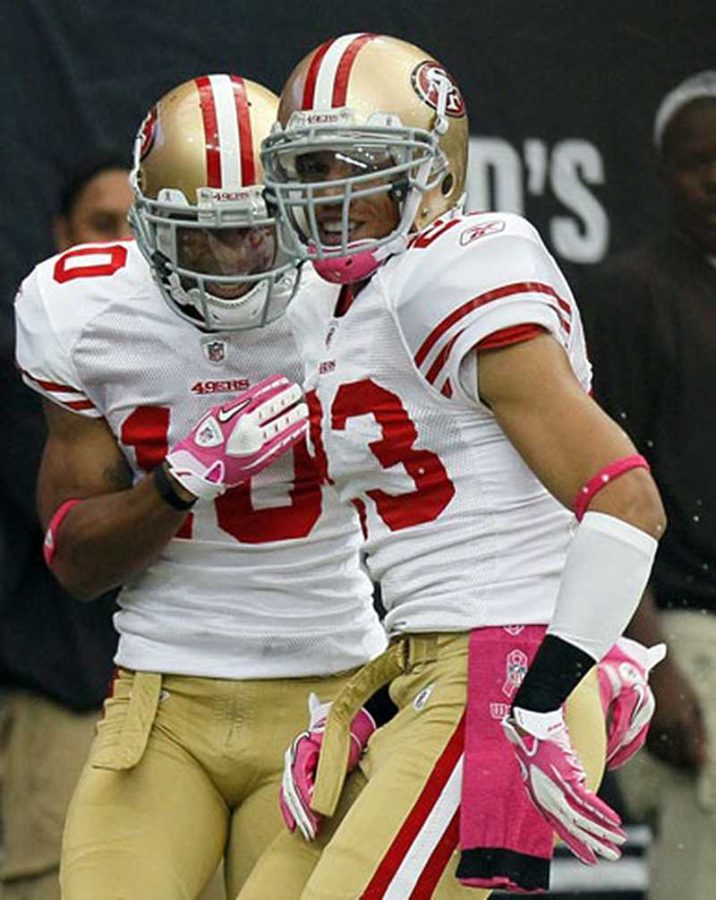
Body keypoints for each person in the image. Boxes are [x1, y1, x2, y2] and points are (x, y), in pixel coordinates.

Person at [236, 33, 666, 899]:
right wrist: (381, 699)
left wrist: (553, 683)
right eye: (309, 167)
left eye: (355, 164)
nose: (329, 194)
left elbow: (627, 499)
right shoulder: (330, 304)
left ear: (431, 168)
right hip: (426, 672)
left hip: (499, 681)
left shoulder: (453, 269)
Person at [14, 74, 387, 900]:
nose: (231, 267)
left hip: (328, 688)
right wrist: (178, 483)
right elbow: (74, 562)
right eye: (198, 240)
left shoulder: (363, 295)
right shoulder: (87, 311)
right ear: (147, 230)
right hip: (164, 696)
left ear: (295, 212)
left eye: (255, 234)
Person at [579, 71, 716, 900]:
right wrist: (654, 663)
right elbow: (599, 487)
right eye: (699, 161)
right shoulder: (628, 295)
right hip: (692, 631)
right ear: (664, 174)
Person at [0, 153, 132, 900]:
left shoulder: (211, 348)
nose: (118, 246)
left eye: (134, 227)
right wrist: (185, 478)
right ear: (59, 235)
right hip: (64, 694)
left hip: (191, 693)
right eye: (99, 225)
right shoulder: (27, 359)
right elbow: (81, 528)